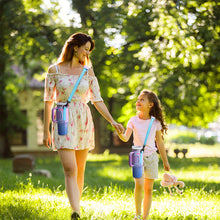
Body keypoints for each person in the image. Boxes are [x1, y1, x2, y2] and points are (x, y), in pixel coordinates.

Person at [43, 33, 124, 220]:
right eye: (86, 49)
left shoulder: (88, 72)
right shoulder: (54, 70)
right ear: (75, 47)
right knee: (70, 169)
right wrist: (46, 130)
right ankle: (75, 211)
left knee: (80, 169)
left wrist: (112, 121)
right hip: (62, 119)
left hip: (83, 120)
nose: (87, 53)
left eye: (89, 50)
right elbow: (48, 101)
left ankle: (77, 207)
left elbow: (97, 100)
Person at [117, 89, 170, 220]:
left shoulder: (155, 122)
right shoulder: (133, 120)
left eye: (142, 99)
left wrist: (165, 161)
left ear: (150, 104)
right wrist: (120, 133)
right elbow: (125, 137)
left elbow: (160, 143)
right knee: (139, 184)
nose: (138, 101)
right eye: (138, 99)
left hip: (152, 157)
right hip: (137, 156)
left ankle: (145, 217)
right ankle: (137, 214)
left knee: (149, 189)